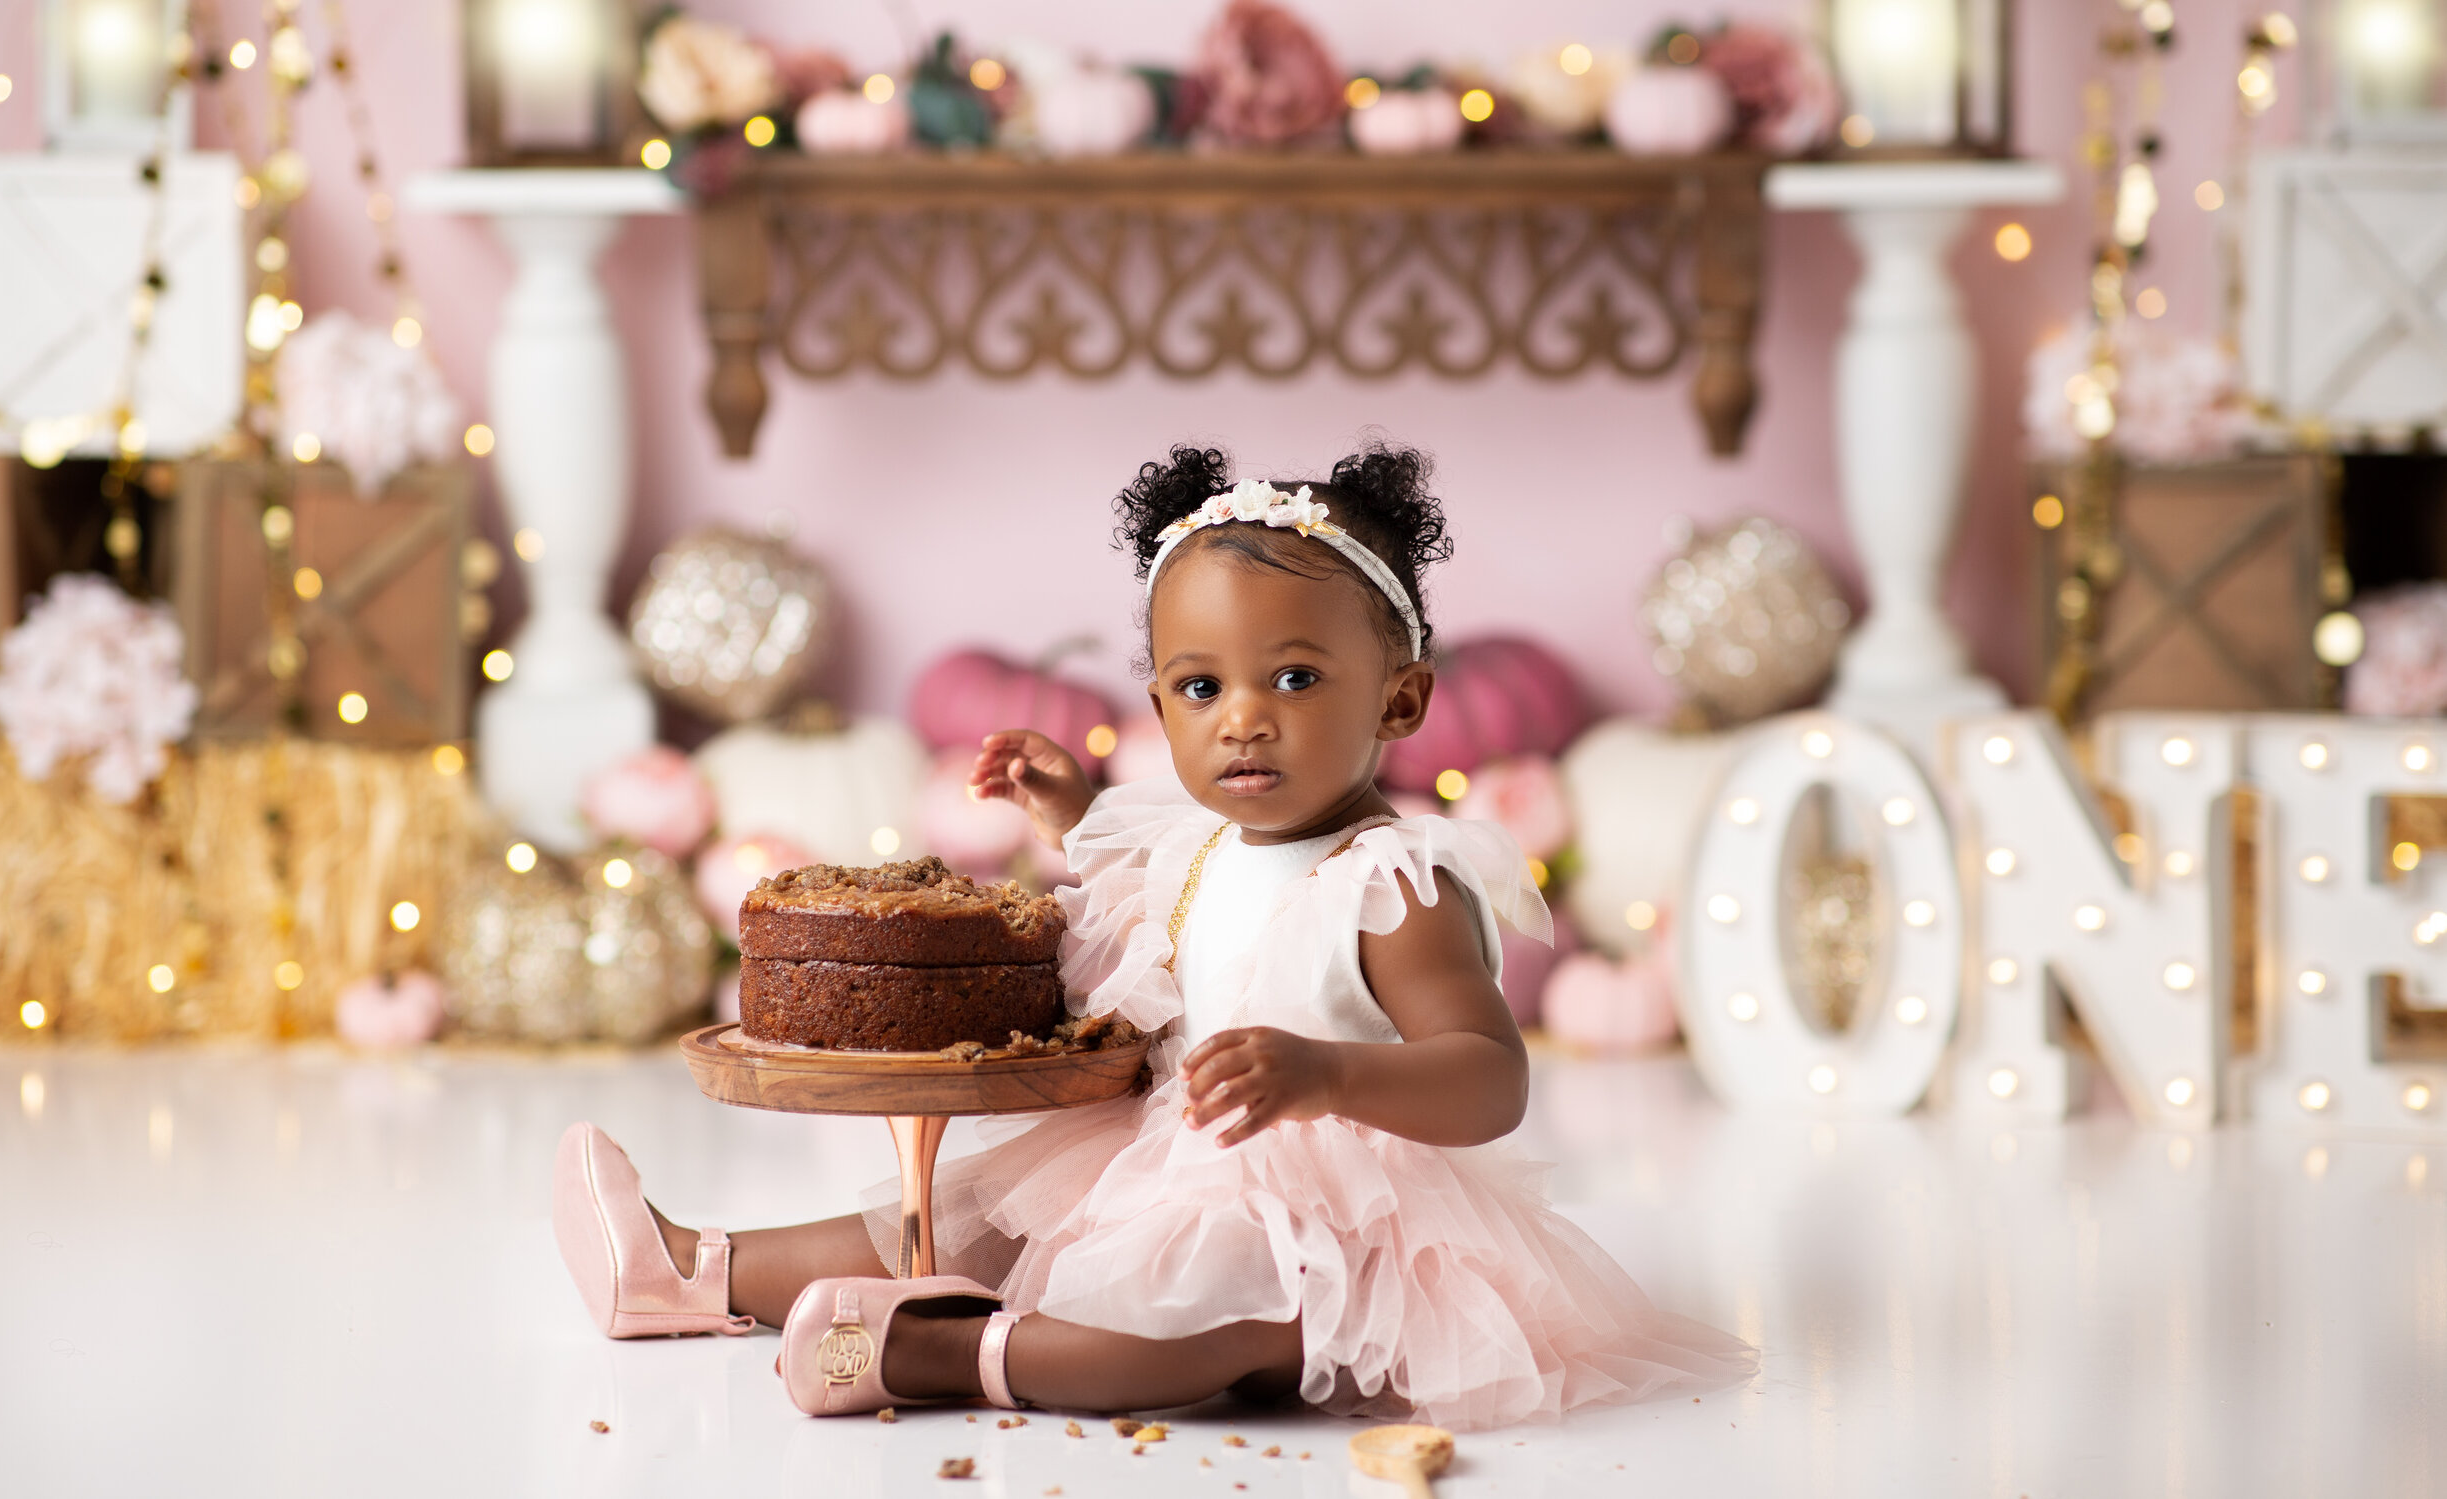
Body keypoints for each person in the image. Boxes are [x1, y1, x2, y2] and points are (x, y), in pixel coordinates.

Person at [551, 440, 1752, 1429]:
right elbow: (1159, 902)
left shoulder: (1396, 880)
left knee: (1188, 1321)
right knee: (958, 1211)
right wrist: (1071, 809)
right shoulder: (1208, 842)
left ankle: (935, 1355)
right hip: (1155, 1147)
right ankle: (693, 1265)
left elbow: (1488, 1077)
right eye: (1198, 687)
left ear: (1400, 698)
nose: (1242, 723)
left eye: (1292, 679)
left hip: (1319, 1209)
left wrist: (1326, 1071)